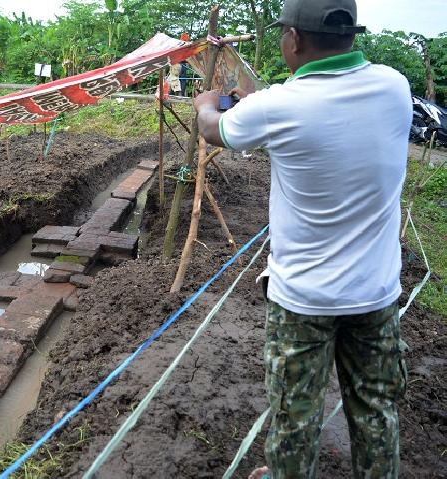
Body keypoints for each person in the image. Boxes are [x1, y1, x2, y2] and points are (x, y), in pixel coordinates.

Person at [193, 0, 412, 478]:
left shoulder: (276, 107)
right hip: (376, 295)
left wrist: (206, 102)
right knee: (377, 413)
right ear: (351, 34)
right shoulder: (395, 87)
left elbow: (213, 129)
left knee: (295, 420)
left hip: (303, 301)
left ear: (292, 38)